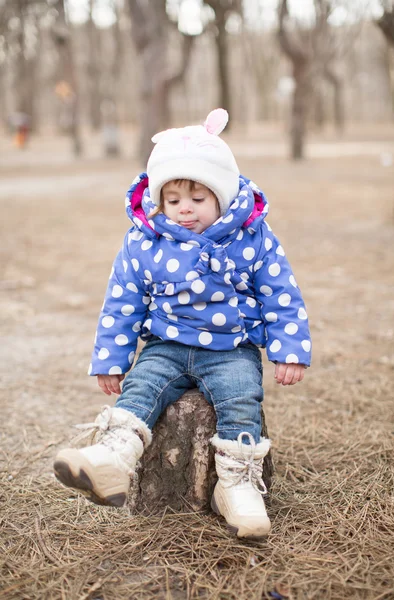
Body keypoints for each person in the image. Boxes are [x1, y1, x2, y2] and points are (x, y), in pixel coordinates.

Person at [54, 109, 311, 539]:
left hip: (230, 347)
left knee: (240, 398)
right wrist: (111, 358)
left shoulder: (250, 237)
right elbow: (123, 301)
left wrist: (289, 350)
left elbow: (281, 294)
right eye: (172, 201)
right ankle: (113, 459)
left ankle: (237, 485)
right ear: (160, 201)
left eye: (198, 200)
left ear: (222, 197)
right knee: (143, 387)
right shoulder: (146, 240)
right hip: (166, 344)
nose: (184, 211)